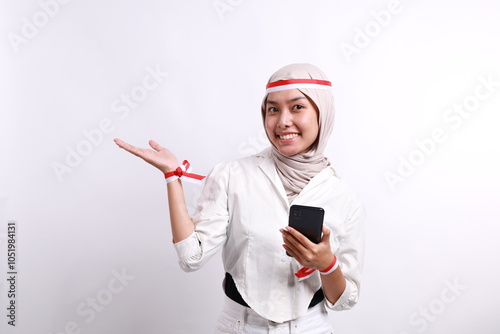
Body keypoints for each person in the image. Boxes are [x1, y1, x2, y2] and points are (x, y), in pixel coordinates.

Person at [114, 63, 365, 333]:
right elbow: (191, 257)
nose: (282, 121)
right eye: (273, 109)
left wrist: (326, 264)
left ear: (322, 112)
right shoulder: (232, 175)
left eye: (297, 107)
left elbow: (344, 301)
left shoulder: (344, 197)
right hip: (240, 326)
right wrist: (171, 177)